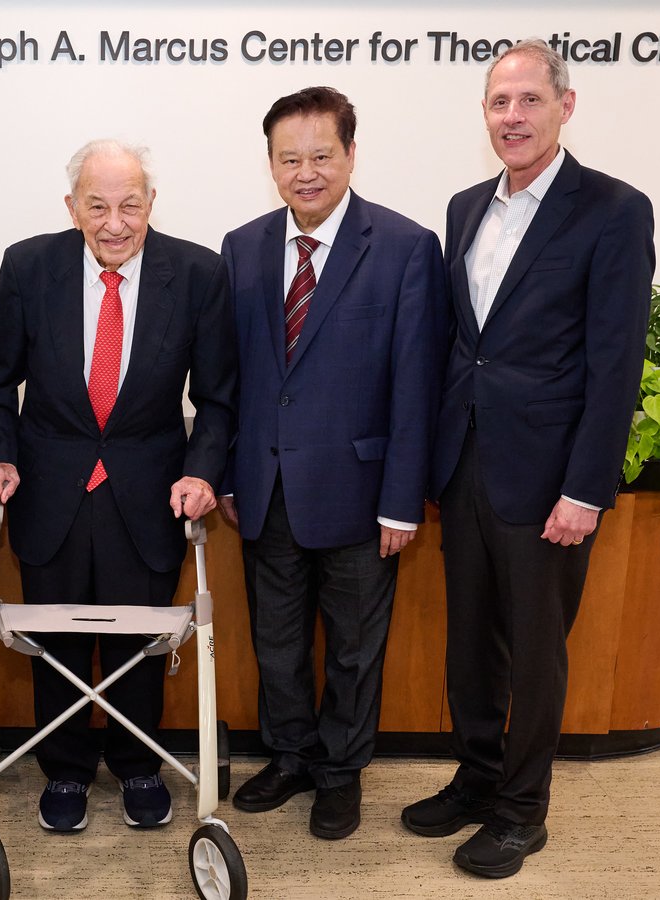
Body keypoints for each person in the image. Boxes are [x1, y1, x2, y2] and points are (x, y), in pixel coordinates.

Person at [400, 40, 655, 878]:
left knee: (536, 646)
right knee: (469, 640)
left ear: (564, 107)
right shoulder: (466, 206)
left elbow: (615, 364)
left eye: (529, 101)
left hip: (549, 477)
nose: (512, 117)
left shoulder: (613, 210)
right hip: (466, 460)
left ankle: (521, 809)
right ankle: (476, 780)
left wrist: (586, 487)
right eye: (498, 103)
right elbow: (461, 346)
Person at [0, 140, 236, 833]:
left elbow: (218, 398)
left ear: (151, 204)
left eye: (129, 205)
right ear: (72, 208)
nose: (114, 222)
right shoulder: (29, 266)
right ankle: (63, 769)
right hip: (48, 483)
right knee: (55, 640)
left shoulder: (198, 272)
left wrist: (203, 469)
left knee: (140, 642)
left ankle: (137, 761)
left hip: (151, 488)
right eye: (97, 205)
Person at [218, 87, 446, 841]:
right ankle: (289, 756)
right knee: (276, 642)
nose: (306, 172)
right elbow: (231, 377)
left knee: (352, 646)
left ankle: (341, 772)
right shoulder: (243, 246)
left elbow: (417, 385)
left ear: (351, 154)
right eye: (291, 158)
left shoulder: (407, 247)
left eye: (322, 155)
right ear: (271, 165)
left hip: (361, 490)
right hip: (266, 487)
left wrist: (401, 501)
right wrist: (226, 473)